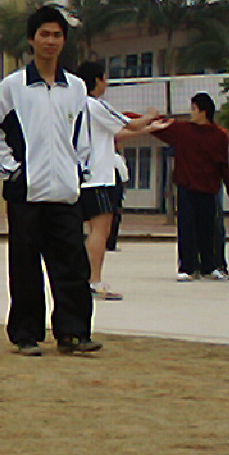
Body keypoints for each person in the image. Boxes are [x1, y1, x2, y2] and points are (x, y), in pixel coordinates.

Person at [0, 5, 99, 356]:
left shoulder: (76, 88)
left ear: (64, 41)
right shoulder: (12, 87)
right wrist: (14, 173)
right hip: (26, 193)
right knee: (25, 266)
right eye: (44, 34)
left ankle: (73, 332)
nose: (51, 41)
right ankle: (25, 333)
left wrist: (78, 175)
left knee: (72, 265)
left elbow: (83, 138)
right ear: (32, 39)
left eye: (57, 35)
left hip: (65, 193)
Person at [74, 59, 154, 302]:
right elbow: (129, 123)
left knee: (88, 231)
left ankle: (85, 279)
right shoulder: (95, 104)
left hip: (80, 176)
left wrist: (149, 130)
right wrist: (151, 115)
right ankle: (93, 280)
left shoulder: (75, 105)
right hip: (97, 177)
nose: (106, 84)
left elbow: (117, 133)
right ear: (96, 81)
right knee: (100, 230)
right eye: (104, 79)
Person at [150, 94, 229, 280]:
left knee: (209, 228)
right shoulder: (183, 130)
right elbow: (160, 126)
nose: (191, 113)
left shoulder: (219, 135)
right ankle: (187, 268)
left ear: (203, 112)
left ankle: (209, 267)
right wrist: (138, 118)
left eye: (193, 109)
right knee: (187, 228)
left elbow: (223, 164)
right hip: (186, 187)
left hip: (209, 188)